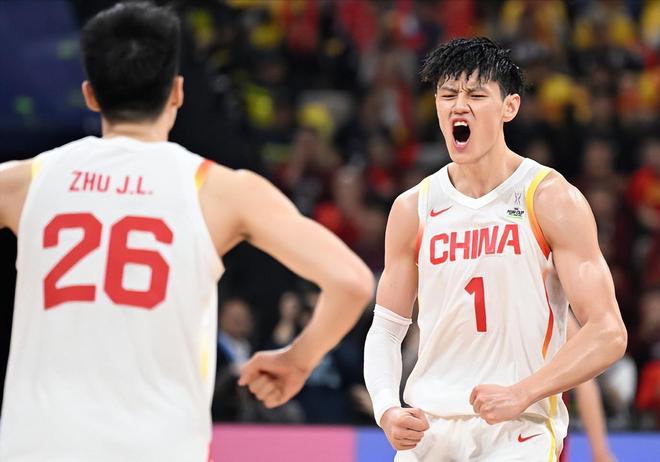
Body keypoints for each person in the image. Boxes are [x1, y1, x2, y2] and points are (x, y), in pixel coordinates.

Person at [0, 3, 374, 461]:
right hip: (157, 445)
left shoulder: (23, 181)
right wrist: (297, 360)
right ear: (177, 92)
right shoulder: (218, 189)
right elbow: (352, 282)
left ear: (91, 95)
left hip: (37, 444)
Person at [363, 37, 626, 461]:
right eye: (447, 95)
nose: (458, 106)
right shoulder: (414, 207)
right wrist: (385, 408)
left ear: (510, 107)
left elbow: (608, 331)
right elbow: (388, 328)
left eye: (475, 95)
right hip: (429, 429)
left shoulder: (550, 198)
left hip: (517, 429)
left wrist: (523, 392)